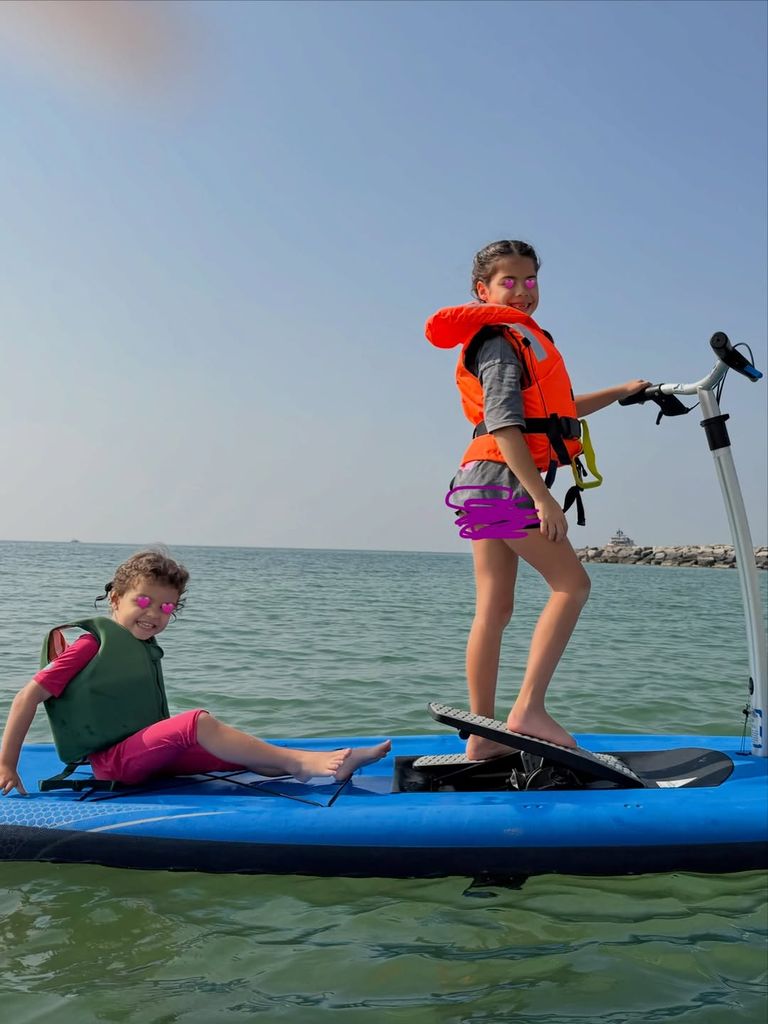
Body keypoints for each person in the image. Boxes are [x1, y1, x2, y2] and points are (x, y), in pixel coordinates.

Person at [425, 239, 648, 759]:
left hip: (478, 482)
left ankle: (482, 735)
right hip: (504, 479)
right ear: (483, 290)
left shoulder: (521, 340)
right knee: (572, 584)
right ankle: (528, 708)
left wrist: (621, 391)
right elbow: (505, 422)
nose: (523, 291)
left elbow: (560, 410)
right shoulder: (501, 342)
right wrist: (542, 497)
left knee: (494, 609)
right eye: (510, 281)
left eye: (531, 281)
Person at [0, 549, 391, 795]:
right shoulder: (91, 645)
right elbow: (26, 698)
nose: (155, 614)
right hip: (112, 763)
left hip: (140, 756)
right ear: (116, 598)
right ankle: (306, 764)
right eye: (145, 601)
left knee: (236, 754)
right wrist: (6, 764)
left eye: (167, 608)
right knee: (195, 723)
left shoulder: (140, 648)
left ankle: (330, 761)